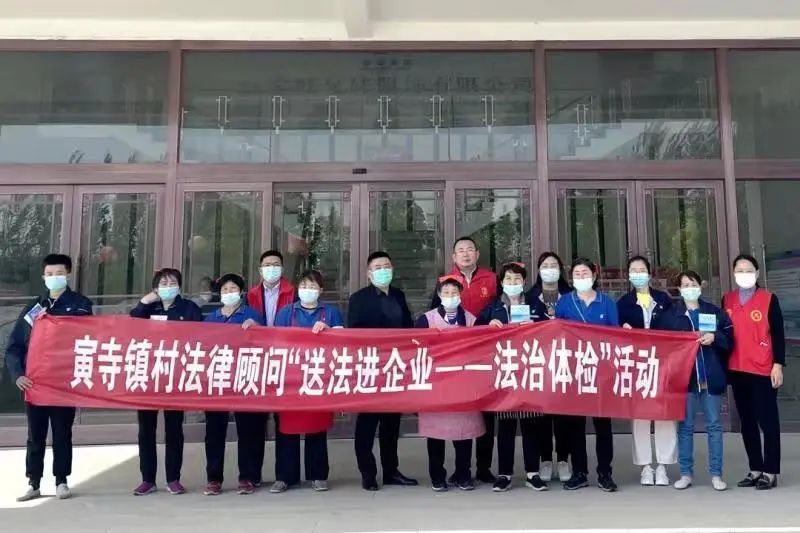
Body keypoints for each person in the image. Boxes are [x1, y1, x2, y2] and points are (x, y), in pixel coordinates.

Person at [6, 254, 93, 502]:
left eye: (59, 273)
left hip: (64, 384)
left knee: (62, 433)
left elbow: (88, 338)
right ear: (44, 277)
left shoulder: (81, 304)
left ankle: (61, 481)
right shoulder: (34, 308)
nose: (55, 277)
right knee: (36, 435)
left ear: (68, 275)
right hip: (36, 384)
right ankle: (33, 482)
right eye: (50, 274)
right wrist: (18, 375)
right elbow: (15, 346)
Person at [129, 268, 203, 496]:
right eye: (163, 283)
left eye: (172, 283)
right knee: (146, 431)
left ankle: (173, 479)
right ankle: (147, 479)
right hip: (148, 376)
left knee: (174, 430)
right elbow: (131, 326)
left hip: (175, 376)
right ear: (155, 287)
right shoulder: (148, 308)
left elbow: (200, 336)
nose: (168, 286)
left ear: (179, 286)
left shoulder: (189, 308)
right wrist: (145, 301)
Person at [348, 251, 418, 491]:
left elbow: (408, 328)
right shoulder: (359, 299)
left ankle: (391, 471)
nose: (383, 270)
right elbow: (353, 333)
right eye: (378, 267)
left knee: (391, 424)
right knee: (367, 425)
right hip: (370, 368)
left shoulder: (398, 295)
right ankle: (368, 473)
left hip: (394, 369)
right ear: (369, 274)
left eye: (386, 266)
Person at [431, 236, 498, 484]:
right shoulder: (445, 282)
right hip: (453, 359)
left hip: (485, 352)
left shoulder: (492, 279)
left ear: (477, 254)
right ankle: (454, 470)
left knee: (485, 413)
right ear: (453, 257)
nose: (466, 253)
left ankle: (483, 467)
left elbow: (499, 308)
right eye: (461, 250)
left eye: (470, 249)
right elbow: (433, 314)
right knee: (456, 413)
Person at [477, 262, 548, 492]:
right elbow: (476, 331)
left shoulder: (535, 303)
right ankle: (504, 474)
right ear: (501, 282)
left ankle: (532, 473)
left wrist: (537, 325)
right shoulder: (493, 306)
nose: (513, 283)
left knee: (531, 425)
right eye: (508, 279)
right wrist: (489, 325)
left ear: (524, 282)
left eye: (517, 279)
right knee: (506, 427)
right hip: (504, 371)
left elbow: (551, 329)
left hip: (529, 370)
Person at [271, 270, 342, 493]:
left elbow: (343, 343)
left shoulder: (331, 313)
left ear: (321, 290)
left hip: (319, 377)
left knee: (316, 428)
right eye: (304, 286)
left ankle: (318, 475)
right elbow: (275, 341)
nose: (308, 290)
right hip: (290, 377)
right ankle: (285, 476)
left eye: (312, 286)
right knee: (286, 430)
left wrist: (329, 332)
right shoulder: (286, 312)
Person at [555, 257, 619, 492]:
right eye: (577, 274)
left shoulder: (606, 302)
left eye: (585, 273)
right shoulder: (565, 302)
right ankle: (579, 472)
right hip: (574, 372)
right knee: (575, 425)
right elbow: (557, 334)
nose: (581, 277)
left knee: (603, 425)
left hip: (601, 371)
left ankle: (605, 472)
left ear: (594, 275)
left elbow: (616, 336)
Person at [417, 274, 485, 491]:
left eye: (454, 292)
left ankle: (463, 474)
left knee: (464, 433)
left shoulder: (471, 320)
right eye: (446, 292)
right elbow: (416, 349)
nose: (450, 296)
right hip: (436, 385)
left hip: (463, 385)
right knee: (436, 434)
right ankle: (437, 476)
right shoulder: (426, 320)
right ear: (439, 295)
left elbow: (481, 349)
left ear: (460, 295)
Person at [724, 254, 786, 490]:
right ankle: (755, 468)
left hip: (763, 370)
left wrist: (778, 364)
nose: (744, 274)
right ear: (734, 274)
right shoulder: (728, 300)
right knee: (747, 422)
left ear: (757, 273)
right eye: (739, 270)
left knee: (768, 422)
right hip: (737, 369)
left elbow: (778, 334)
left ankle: (770, 471)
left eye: (748, 270)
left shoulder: (768, 299)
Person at [667, 270, 733, 492]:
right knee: (685, 427)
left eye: (692, 283)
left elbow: (730, 339)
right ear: (679, 289)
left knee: (714, 426)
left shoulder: (714, 312)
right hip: (685, 380)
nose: (689, 288)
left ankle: (716, 474)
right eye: (685, 285)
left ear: (700, 286)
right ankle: (686, 473)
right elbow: (662, 344)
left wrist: (715, 337)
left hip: (710, 378)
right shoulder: (672, 315)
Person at [617, 256, 676, 487]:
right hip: (636, 364)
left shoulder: (663, 299)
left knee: (664, 414)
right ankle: (645, 467)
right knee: (640, 417)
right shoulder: (624, 303)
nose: (638, 274)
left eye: (642, 270)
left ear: (649, 274)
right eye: (634, 270)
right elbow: (614, 332)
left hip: (662, 363)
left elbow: (673, 328)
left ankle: (663, 466)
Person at [202, 273, 261, 496]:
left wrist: (256, 327)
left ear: (241, 292)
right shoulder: (211, 318)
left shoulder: (252, 315)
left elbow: (264, 343)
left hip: (244, 377)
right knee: (215, 432)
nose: (229, 293)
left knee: (247, 430)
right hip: (217, 380)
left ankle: (247, 477)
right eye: (225, 290)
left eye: (233, 289)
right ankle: (214, 478)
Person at [246, 249, 296, 487]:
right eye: (267, 265)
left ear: (282, 269)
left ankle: (285, 476)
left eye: (276, 264)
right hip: (257, 360)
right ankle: (252, 475)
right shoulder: (250, 294)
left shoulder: (293, 292)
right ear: (260, 270)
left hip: (284, 359)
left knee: (284, 420)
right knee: (254, 420)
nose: (271, 268)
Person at [526, 251, 572, 483]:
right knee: (541, 415)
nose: (550, 269)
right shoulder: (529, 297)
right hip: (538, 362)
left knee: (563, 414)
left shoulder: (571, 296)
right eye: (545, 265)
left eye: (554, 265)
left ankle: (563, 459)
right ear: (538, 270)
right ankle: (545, 459)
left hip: (565, 361)